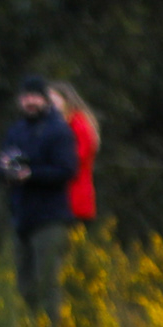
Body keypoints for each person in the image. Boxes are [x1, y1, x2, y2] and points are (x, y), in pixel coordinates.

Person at [0, 76, 81, 311]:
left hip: (50, 218)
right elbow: (2, 164)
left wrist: (31, 174)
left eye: (35, 96)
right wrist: (5, 169)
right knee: (24, 286)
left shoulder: (58, 131)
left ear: (45, 100)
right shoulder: (15, 131)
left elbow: (67, 170)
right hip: (22, 216)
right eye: (25, 97)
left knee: (47, 283)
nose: (30, 102)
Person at [50, 81, 99, 228]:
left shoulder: (79, 123)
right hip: (60, 200)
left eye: (53, 99)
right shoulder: (57, 123)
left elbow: (77, 157)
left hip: (74, 199)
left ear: (66, 100)